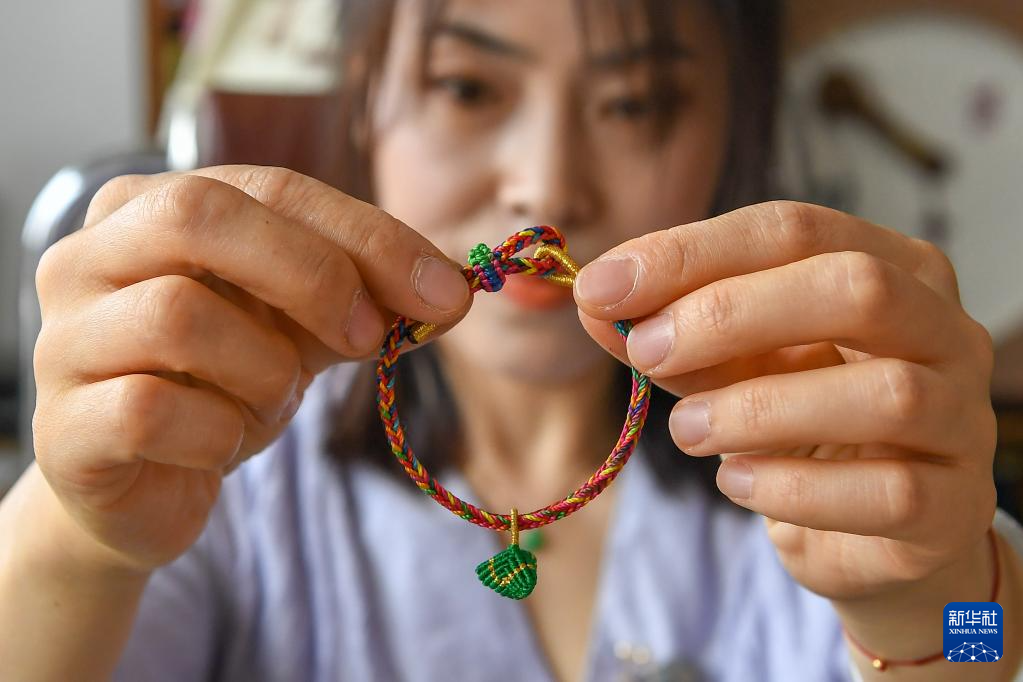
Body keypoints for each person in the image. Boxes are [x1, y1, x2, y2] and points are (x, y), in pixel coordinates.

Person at [1, 1, 1020, 680]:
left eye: (634, 103)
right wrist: (73, 542)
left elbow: (988, 659)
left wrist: (942, 612)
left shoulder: (845, 464)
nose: (545, 182)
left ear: (733, 126)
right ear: (365, 97)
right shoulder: (224, 475)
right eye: (468, 87)